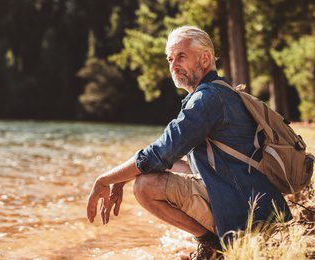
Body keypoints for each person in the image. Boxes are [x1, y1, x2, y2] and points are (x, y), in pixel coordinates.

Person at [86, 25, 292, 259]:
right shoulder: (218, 91)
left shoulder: (206, 99)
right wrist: (122, 177)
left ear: (205, 58)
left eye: (181, 56)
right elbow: (169, 158)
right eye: (170, 59)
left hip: (245, 213)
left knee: (145, 186)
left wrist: (105, 179)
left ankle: (212, 243)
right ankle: (213, 241)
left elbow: (159, 152)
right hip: (258, 204)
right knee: (152, 169)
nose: (173, 66)